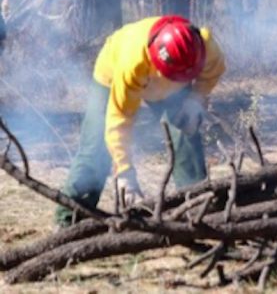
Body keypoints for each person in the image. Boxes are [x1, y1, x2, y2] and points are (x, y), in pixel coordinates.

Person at [55, 15, 226, 226]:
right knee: (96, 147)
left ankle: (198, 206)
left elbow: (213, 72)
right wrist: (124, 172)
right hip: (111, 75)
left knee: (185, 135)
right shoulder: (131, 63)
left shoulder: (204, 43)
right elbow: (120, 119)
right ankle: (70, 219)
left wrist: (196, 98)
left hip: (170, 82)